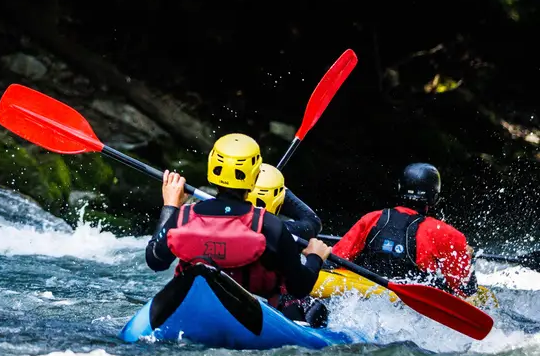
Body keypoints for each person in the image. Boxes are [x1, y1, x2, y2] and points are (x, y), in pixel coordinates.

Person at [146, 133, 332, 307]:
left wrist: (170, 206)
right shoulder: (270, 225)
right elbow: (299, 288)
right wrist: (315, 257)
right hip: (249, 311)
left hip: (192, 304)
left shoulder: (184, 216)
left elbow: (155, 261)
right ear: (256, 175)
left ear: (212, 168)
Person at [331, 162, 476, 297]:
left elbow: (337, 259)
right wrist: (469, 259)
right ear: (434, 197)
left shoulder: (372, 219)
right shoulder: (445, 233)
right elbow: (464, 288)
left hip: (363, 296)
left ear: (400, 188)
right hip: (407, 308)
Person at [246, 162, 329, 326]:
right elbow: (312, 221)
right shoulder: (285, 230)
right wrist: (283, 191)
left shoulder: (221, 221)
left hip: (244, 295)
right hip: (280, 307)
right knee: (317, 308)